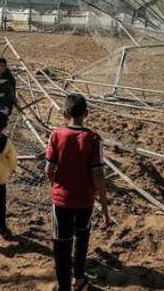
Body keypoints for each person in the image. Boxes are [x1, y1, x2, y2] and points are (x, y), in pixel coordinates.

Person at [45, 93, 111, 291]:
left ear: (65, 113)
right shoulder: (94, 138)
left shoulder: (56, 135)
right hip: (85, 201)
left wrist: (57, 186)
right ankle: (79, 278)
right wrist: (105, 207)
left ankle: (64, 286)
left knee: (61, 244)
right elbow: (98, 175)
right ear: (86, 114)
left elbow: (49, 169)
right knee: (82, 237)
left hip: (62, 201)